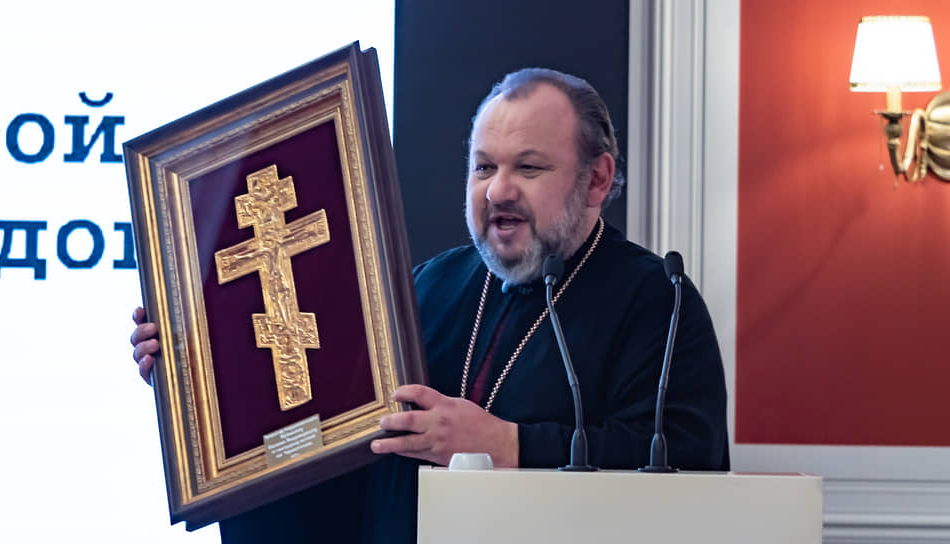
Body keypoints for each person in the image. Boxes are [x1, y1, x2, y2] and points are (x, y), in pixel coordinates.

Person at [131, 68, 729, 543]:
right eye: (483, 167)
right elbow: (340, 456)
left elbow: (688, 470)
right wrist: (206, 380)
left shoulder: (657, 301)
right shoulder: (426, 287)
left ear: (596, 180)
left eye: (528, 167)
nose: (498, 190)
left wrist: (509, 446)